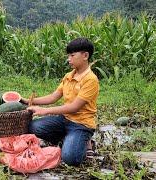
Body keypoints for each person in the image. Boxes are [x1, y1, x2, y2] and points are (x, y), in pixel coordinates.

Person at [22, 37, 99, 166]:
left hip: (81, 125)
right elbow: (53, 97)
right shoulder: (69, 76)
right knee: (32, 126)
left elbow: (74, 107)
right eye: (68, 56)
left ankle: (85, 142)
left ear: (85, 55)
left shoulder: (91, 80)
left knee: (70, 159)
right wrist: (28, 101)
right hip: (64, 120)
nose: (69, 59)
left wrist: (44, 111)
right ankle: (67, 138)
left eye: (72, 55)